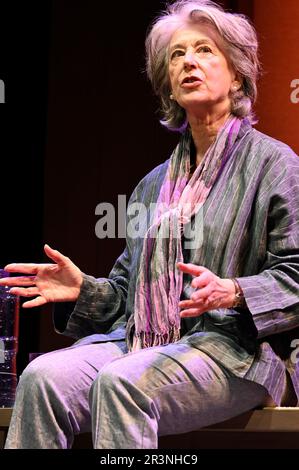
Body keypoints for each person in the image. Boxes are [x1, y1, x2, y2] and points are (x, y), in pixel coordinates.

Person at [1, 0, 299, 449]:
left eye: (204, 50)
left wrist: (235, 291)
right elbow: (125, 298)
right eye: (177, 55)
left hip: (235, 352)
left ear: (237, 75)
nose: (188, 62)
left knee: (124, 383)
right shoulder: (153, 185)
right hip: (146, 344)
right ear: (169, 86)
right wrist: (82, 289)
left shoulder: (274, 165)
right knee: (42, 377)